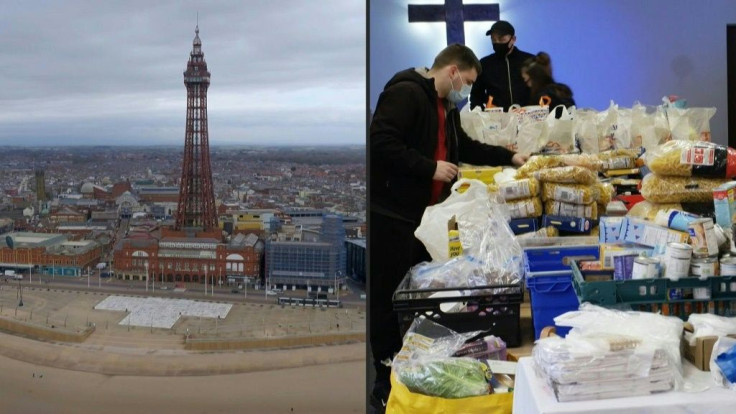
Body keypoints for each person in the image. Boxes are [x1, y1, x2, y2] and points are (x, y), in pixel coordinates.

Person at [369, 43, 527, 411]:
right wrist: (428, 167)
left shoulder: (446, 106)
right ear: (453, 71)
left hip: (418, 216)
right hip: (391, 214)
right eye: (468, 81)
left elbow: (464, 147)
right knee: (387, 296)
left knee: (414, 292)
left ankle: (410, 362)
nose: (467, 90)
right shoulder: (406, 93)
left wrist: (509, 156)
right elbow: (380, 142)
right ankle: (384, 375)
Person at [469, 20, 534, 111]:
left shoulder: (529, 61)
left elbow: (541, 90)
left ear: (513, 39)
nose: (497, 43)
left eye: (502, 39)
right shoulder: (484, 63)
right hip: (495, 121)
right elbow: (476, 96)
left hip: (527, 119)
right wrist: (480, 117)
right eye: (494, 40)